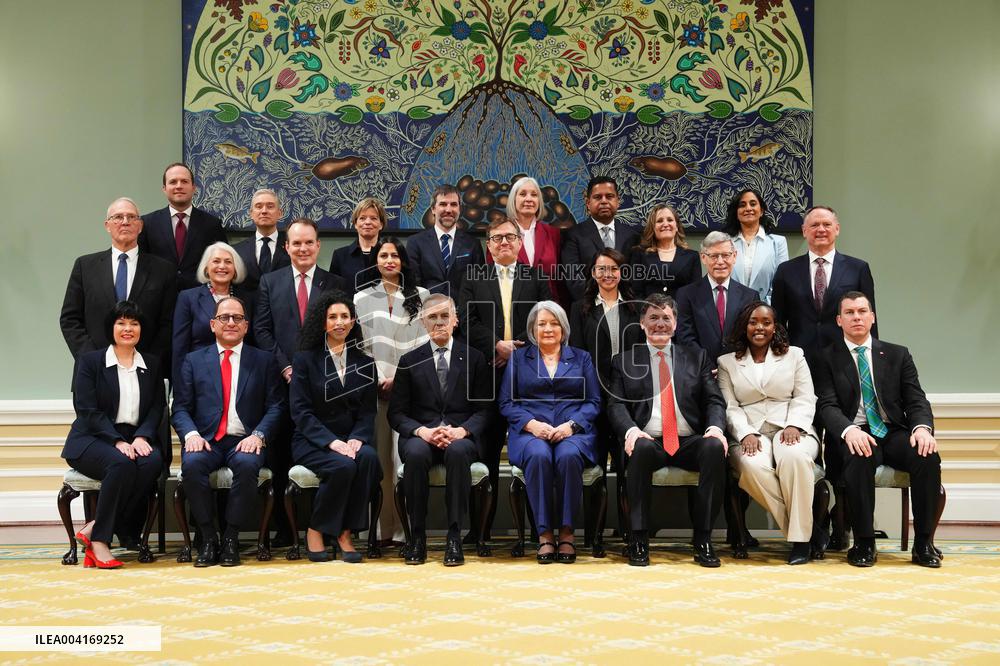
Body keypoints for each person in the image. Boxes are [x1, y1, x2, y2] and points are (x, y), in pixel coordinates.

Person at [813, 292, 942, 568]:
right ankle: (864, 542)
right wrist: (848, 430)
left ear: (872, 317)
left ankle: (924, 543)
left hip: (893, 432)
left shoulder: (897, 354)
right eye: (849, 313)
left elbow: (916, 398)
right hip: (855, 433)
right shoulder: (826, 358)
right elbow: (827, 406)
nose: (856, 317)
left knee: (926, 455)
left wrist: (921, 428)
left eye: (862, 311)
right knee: (858, 456)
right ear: (839, 320)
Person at [607, 294, 728, 567]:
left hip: (688, 440)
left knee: (712, 447)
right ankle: (638, 539)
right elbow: (615, 405)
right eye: (653, 317)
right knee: (640, 447)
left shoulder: (696, 357)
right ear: (641, 323)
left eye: (666, 318)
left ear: (675, 325)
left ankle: (703, 539)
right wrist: (631, 431)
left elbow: (714, 400)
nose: (659, 324)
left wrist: (715, 428)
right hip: (647, 440)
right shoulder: (624, 360)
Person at [253, 217, 347, 544]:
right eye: (296, 243)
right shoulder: (270, 282)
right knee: (280, 457)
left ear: (318, 246)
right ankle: (284, 530)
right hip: (281, 384)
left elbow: (339, 331)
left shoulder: (335, 283)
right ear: (286, 247)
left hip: (324, 384)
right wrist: (287, 367)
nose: (303, 248)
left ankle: (328, 526)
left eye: (309, 242)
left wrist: (310, 371)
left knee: (327, 452)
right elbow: (262, 330)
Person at [171, 296, 285, 567]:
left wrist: (257, 435)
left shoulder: (264, 361)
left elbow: (277, 406)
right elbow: (181, 408)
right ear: (213, 324)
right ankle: (209, 538)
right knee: (193, 464)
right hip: (206, 440)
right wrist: (191, 435)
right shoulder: (193, 360)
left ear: (246, 326)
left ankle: (231, 538)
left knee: (247, 466)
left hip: (243, 440)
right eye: (224, 318)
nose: (231, 323)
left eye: (237, 318)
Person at [459, 217, 552, 540]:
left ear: (518, 242)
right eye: (497, 238)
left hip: (528, 377)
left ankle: (536, 529)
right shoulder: (474, 277)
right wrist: (496, 344)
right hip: (487, 374)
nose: (503, 243)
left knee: (531, 451)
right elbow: (466, 321)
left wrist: (518, 350)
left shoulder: (536, 277)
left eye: (510, 237)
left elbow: (546, 322)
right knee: (483, 452)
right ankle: (479, 530)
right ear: (489, 245)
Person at [388, 294, 493, 565]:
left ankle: (454, 537)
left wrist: (463, 431)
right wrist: (422, 431)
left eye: (445, 316)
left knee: (458, 452)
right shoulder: (409, 360)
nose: (439, 322)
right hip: (421, 436)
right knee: (416, 454)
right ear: (423, 321)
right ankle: (418, 538)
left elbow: (486, 410)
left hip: (460, 437)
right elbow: (396, 413)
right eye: (432, 317)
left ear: (455, 320)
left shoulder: (475, 358)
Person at [62, 301, 165, 569]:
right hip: (91, 438)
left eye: (134, 323)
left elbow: (157, 407)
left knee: (153, 461)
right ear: (111, 328)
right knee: (120, 464)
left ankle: (95, 526)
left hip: (134, 437)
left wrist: (142, 436)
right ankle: (100, 541)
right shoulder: (90, 361)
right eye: (121, 323)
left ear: (142, 329)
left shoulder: (151, 364)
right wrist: (116, 441)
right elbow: (87, 410)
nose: (128, 328)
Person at [717, 302, 821, 565]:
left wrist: (794, 425)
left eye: (766, 322)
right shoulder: (727, 362)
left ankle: (800, 542)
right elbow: (729, 406)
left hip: (792, 428)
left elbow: (805, 396)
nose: (759, 327)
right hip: (751, 432)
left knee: (794, 457)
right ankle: (807, 533)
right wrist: (744, 434)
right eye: (753, 322)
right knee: (751, 466)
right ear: (744, 326)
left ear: (775, 327)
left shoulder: (795, 355)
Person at [499, 301, 601, 564]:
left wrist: (571, 426)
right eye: (541, 323)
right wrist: (531, 425)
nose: (548, 328)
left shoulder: (582, 357)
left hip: (573, 432)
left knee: (568, 457)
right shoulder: (519, 359)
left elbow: (594, 402)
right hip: (531, 432)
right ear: (533, 328)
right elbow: (507, 402)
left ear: (564, 328)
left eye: (554, 323)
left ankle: (567, 534)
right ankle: (544, 535)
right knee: (539, 456)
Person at [289, 292, 381, 563]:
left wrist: (357, 439)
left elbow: (367, 412)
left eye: (344, 316)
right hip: (312, 440)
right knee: (343, 465)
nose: (339, 322)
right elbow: (301, 412)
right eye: (333, 317)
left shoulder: (365, 362)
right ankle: (317, 528)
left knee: (368, 459)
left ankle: (345, 532)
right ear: (323, 323)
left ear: (353, 322)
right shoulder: (305, 360)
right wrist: (332, 442)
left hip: (350, 438)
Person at [354, 236, 429, 545]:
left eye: (394, 256)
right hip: (374, 391)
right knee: (378, 463)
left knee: (402, 463)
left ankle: (404, 533)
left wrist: (399, 378)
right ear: (376, 260)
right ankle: (379, 532)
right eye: (383, 255)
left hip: (409, 391)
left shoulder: (421, 296)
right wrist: (379, 377)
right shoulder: (360, 298)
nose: (389, 260)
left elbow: (424, 344)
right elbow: (359, 346)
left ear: (402, 261)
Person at [61, 197, 176, 367]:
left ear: (140, 226)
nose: (125, 222)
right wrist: (93, 358)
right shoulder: (85, 266)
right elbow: (70, 319)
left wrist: (148, 361)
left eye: (131, 217)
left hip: (145, 370)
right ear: (107, 225)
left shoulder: (163, 270)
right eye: (118, 217)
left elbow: (169, 323)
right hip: (94, 370)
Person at [569, 248, 644, 474]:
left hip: (629, 396)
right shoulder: (580, 308)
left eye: (613, 268)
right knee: (595, 465)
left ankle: (626, 510)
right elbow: (578, 354)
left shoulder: (637, 307)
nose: (608, 274)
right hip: (595, 395)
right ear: (593, 272)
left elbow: (642, 354)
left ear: (622, 272)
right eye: (602, 269)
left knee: (628, 465)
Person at [771, 206, 876, 359]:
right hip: (799, 356)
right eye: (814, 225)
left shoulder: (858, 268)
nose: (821, 229)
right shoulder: (786, 270)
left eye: (827, 224)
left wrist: (872, 357)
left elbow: (869, 318)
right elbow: (778, 319)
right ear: (804, 231)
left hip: (845, 356)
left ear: (837, 229)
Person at [171, 242, 251, 383]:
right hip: (199, 375)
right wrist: (180, 385)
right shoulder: (188, 298)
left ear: (235, 269)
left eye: (228, 262)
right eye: (216, 261)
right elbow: (180, 347)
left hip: (240, 373)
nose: (222, 266)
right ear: (206, 268)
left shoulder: (247, 299)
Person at [675, 231, 758, 366]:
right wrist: (706, 366)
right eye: (713, 256)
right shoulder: (686, 294)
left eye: (725, 255)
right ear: (703, 258)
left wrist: (733, 365)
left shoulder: (750, 296)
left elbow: (752, 337)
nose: (720, 262)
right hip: (700, 371)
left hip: (740, 370)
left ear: (734, 256)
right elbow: (685, 337)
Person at [139, 163, 227, 291]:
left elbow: (221, 261)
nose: (179, 186)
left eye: (184, 181)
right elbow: (141, 264)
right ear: (164, 188)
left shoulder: (212, 224)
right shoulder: (147, 223)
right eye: (173, 182)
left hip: (198, 298)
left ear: (194, 187)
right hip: (158, 296)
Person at [561, 176, 639, 301]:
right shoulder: (573, 235)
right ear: (588, 203)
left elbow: (636, 276)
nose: (604, 201)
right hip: (589, 308)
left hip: (626, 307)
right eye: (597, 197)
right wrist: (601, 301)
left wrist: (620, 301)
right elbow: (573, 278)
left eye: (609, 196)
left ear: (617, 201)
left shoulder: (632, 235)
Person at [494, 176, 565, 305]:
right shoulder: (499, 233)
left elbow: (559, 278)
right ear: (513, 200)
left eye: (534, 195)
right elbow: (493, 280)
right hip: (512, 309)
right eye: (522, 194)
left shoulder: (553, 234)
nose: (529, 199)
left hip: (548, 308)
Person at [407, 185, 485, 298]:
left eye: (453, 204)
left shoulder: (472, 244)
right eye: (443, 204)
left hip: (463, 312)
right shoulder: (415, 243)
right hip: (428, 311)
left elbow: (478, 285)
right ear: (433, 209)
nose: (448, 210)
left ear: (459, 209)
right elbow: (413, 285)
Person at [722, 189, 788, 303]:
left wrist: (763, 308)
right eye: (742, 205)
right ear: (736, 213)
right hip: (730, 310)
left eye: (753, 204)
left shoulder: (778, 242)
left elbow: (781, 282)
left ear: (761, 211)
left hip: (765, 311)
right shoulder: (724, 242)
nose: (748, 208)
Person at [628, 204, 700, 299]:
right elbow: (636, 293)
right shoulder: (639, 255)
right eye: (659, 221)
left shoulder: (692, 256)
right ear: (653, 228)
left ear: (677, 226)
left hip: (681, 313)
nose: (665, 224)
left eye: (670, 220)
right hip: (648, 312)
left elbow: (696, 294)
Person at [232, 188, 290, 297]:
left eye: (270, 206)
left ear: (280, 213)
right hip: (247, 311)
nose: (264, 211)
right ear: (251, 213)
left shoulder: (293, 248)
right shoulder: (236, 251)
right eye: (258, 206)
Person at [328, 197, 385, 294]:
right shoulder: (340, 255)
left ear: (381, 225)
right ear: (355, 223)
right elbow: (333, 293)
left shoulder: (391, 255)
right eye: (362, 218)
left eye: (373, 218)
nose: (367, 222)